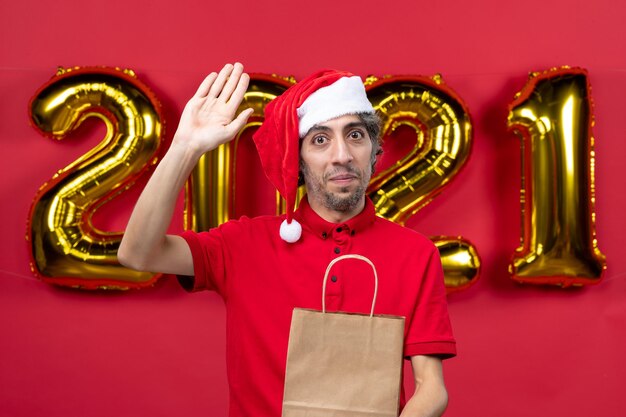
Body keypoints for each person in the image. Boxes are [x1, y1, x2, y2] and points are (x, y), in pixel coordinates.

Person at [118, 63, 456, 417]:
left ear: (374, 150)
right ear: (297, 160)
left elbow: (430, 388)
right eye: (320, 139)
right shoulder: (243, 244)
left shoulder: (415, 254)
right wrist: (185, 148)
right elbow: (139, 253)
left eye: (355, 135)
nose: (341, 155)